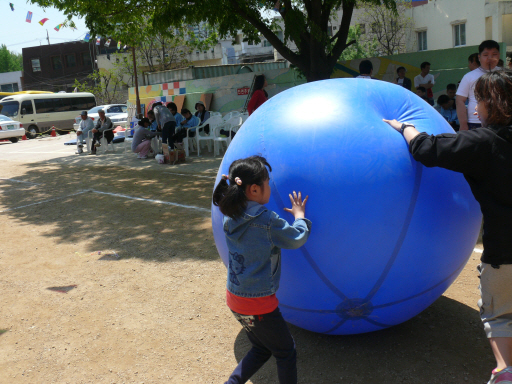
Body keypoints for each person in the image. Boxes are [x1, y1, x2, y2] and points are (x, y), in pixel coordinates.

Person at [383, 70, 512, 384]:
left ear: (487, 103)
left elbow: (425, 149)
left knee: (499, 315)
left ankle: (505, 372)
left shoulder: (480, 142)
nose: (473, 107)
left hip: (504, 249)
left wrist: (406, 128)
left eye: (476, 100)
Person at [212, 155, 311, 384]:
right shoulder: (266, 220)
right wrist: (300, 217)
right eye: (267, 183)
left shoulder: (230, 215)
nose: (269, 187)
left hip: (235, 298)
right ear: (255, 189)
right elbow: (296, 239)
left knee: (261, 348)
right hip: (260, 305)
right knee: (286, 352)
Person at [456, 40, 501, 131]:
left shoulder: (505, 75)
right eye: (485, 55)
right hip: (475, 122)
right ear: (479, 57)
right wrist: (463, 124)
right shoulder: (469, 77)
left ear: (499, 56)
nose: (490, 58)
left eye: (494, 54)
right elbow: (460, 100)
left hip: (500, 122)